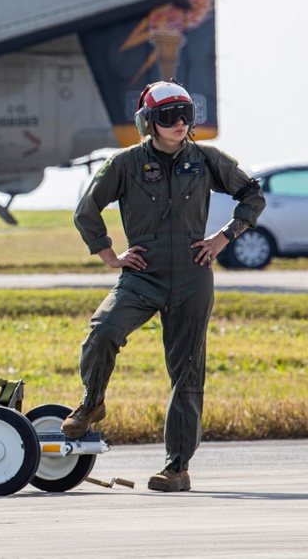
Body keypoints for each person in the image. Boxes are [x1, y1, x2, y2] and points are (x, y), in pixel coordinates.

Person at [61, 80, 265, 492]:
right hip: (142, 277)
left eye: (186, 115)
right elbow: (87, 210)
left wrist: (223, 237)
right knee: (103, 332)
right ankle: (92, 402)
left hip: (193, 278)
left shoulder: (208, 159)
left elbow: (252, 195)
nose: (179, 123)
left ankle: (177, 467)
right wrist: (109, 255)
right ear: (148, 122)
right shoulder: (125, 164)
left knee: (187, 374)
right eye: (169, 116)